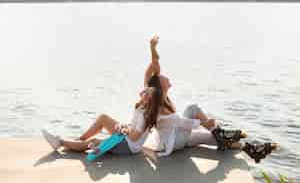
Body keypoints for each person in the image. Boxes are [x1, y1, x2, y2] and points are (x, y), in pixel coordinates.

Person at [144, 35, 278, 163]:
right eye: (162, 77)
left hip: (176, 137)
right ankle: (219, 132)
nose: (165, 76)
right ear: (159, 84)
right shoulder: (154, 99)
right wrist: (205, 123)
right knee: (192, 108)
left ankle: (251, 150)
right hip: (171, 142)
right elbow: (183, 122)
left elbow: (155, 65)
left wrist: (153, 47)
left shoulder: (161, 95)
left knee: (215, 138)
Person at [42, 86, 163, 157]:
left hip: (128, 146)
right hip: (125, 139)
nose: (143, 92)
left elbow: (135, 137)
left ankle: (60, 142)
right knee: (103, 118)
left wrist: (123, 129)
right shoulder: (141, 108)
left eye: (146, 92)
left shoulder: (144, 115)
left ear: (149, 99)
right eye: (145, 90)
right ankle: (79, 140)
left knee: (94, 141)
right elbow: (134, 128)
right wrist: (124, 126)